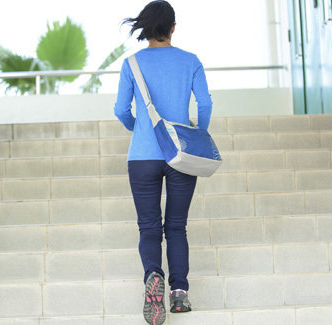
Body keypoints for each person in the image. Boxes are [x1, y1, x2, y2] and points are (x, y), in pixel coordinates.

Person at [114, 1, 213, 324]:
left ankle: (153, 276)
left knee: (149, 227)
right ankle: (179, 293)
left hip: (142, 155)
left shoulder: (132, 63)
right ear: (172, 27)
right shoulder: (191, 61)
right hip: (181, 155)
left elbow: (120, 110)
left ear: (146, 29)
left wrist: (138, 128)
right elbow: (206, 104)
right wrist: (196, 134)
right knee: (176, 226)